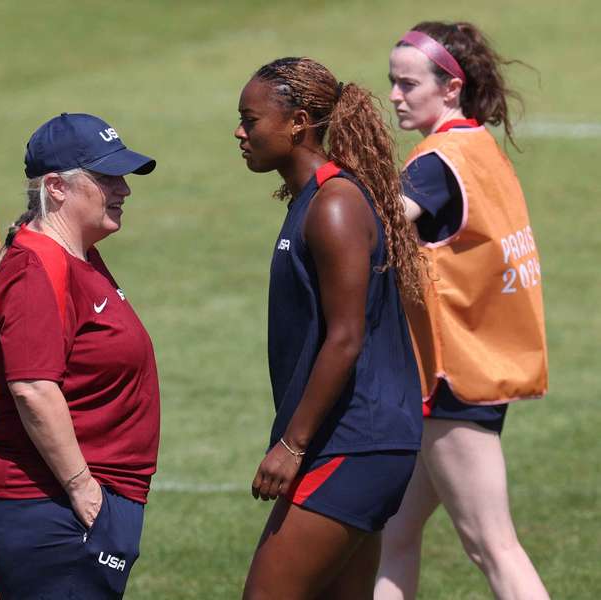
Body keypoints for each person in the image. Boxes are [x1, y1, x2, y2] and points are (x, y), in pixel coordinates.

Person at [235, 57, 425, 599]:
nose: (240, 132)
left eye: (251, 120)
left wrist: (291, 447)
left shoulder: (334, 205)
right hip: (357, 441)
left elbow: (346, 337)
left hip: (353, 443)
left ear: (298, 123)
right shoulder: (314, 198)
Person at [376, 22, 550, 600]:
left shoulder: (433, 163)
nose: (396, 96)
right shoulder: (478, 146)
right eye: (392, 84)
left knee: (493, 548)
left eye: (408, 84)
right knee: (392, 535)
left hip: (453, 381)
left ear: (450, 87)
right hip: (475, 368)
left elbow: (371, 236)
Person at [0, 113, 160, 600]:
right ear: (56, 187)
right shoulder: (38, 267)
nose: (124, 189)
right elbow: (32, 388)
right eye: (107, 177)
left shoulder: (77, 255)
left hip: (67, 500)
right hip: (44, 503)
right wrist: (83, 489)